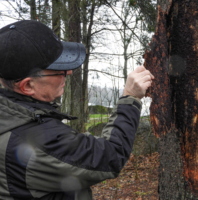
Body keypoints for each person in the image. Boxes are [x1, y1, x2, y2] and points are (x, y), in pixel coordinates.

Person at [0, 20, 154, 200]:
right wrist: (131, 98)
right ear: (28, 86)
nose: (69, 73)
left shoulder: (13, 117)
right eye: (58, 70)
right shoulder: (36, 140)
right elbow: (110, 156)